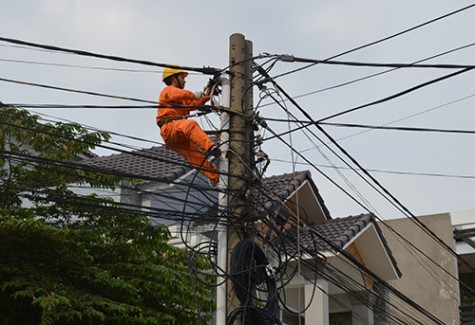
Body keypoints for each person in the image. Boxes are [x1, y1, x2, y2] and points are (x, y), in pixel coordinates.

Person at [157, 66, 220, 185]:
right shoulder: (168, 91)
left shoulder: (181, 99)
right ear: (174, 79)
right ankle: (210, 148)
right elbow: (178, 95)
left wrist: (205, 97)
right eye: (182, 77)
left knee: (196, 157)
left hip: (177, 134)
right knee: (190, 125)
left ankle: (215, 176)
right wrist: (193, 95)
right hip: (170, 128)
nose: (184, 81)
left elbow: (193, 105)